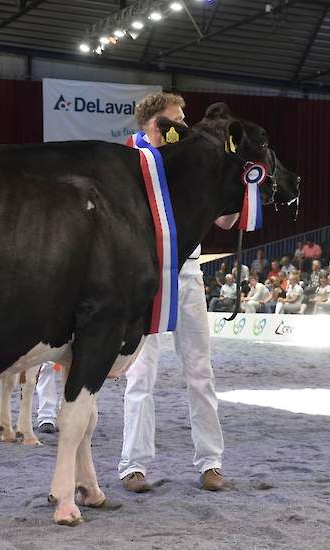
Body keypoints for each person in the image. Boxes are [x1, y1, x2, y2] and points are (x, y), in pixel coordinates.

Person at [117, 91, 235, 493]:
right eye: (178, 120)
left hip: (187, 274)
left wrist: (237, 182)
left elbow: (224, 219)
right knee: (140, 374)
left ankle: (211, 462)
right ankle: (133, 465)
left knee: (200, 370)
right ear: (156, 122)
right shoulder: (130, 161)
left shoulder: (192, 162)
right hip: (145, 277)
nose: (186, 127)